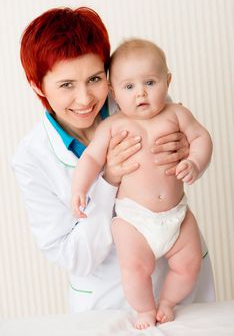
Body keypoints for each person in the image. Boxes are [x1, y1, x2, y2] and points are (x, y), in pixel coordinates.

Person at [12, 7, 215, 318]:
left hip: (181, 275)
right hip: (109, 301)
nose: (85, 99)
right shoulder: (31, 159)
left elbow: (185, 136)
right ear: (37, 85)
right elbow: (75, 257)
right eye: (67, 85)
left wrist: (190, 152)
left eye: (94, 79)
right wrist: (108, 180)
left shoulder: (135, 94)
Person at [71, 38, 213, 329]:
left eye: (150, 82)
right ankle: (145, 310)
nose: (141, 94)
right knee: (134, 269)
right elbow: (90, 159)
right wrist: (79, 188)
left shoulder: (177, 115)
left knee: (190, 265)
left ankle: (168, 302)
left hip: (176, 215)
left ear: (167, 81)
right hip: (134, 220)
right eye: (129, 87)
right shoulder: (113, 126)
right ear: (114, 93)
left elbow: (201, 138)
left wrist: (195, 163)